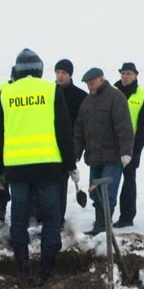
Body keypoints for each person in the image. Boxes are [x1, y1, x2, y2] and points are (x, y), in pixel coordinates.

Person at [0, 48, 78, 285]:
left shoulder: (6, 93)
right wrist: (71, 165)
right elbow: (64, 130)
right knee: (51, 218)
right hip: (47, 168)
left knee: (18, 220)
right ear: (39, 70)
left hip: (17, 169)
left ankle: (23, 269)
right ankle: (48, 271)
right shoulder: (51, 91)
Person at [74, 67, 134, 236]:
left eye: (92, 83)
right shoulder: (87, 102)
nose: (89, 86)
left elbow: (124, 127)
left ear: (101, 79)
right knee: (95, 192)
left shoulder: (115, 98)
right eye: (87, 84)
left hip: (113, 157)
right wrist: (75, 153)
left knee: (108, 192)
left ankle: (103, 226)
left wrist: (126, 151)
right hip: (94, 158)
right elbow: (79, 130)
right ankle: (99, 223)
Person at [112, 62, 144, 228]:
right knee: (108, 182)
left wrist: (136, 150)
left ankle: (127, 217)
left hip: (131, 147)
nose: (125, 76)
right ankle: (103, 217)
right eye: (123, 73)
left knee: (129, 181)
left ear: (136, 75)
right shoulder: (111, 92)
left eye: (129, 73)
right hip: (110, 145)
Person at [55, 59, 88, 224]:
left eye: (64, 73)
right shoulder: (48, 92)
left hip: (70, 146)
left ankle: (59, 217)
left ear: (70, 75)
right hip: (48, 145)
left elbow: (83, 125)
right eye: (58, 72)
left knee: (61, 183)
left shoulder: (80, 96)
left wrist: (79, 148)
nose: (60, 76)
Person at [0, 66, 17, 222]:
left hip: (19, 142)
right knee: (2, 181)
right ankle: (1, 209)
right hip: (4, 140)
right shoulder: (1, 89)